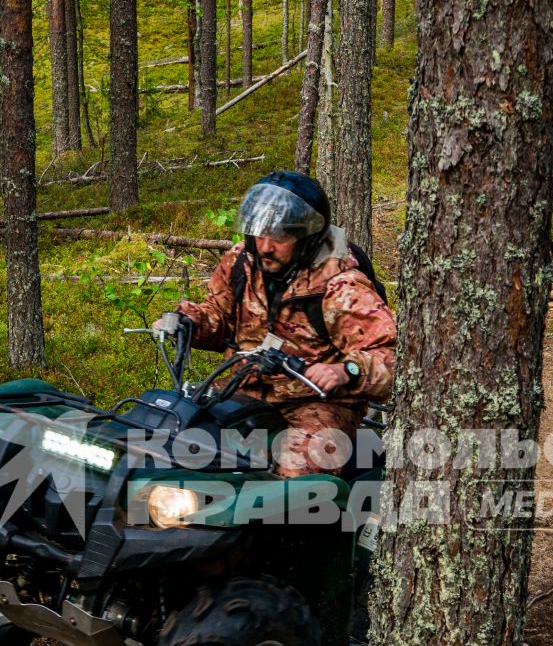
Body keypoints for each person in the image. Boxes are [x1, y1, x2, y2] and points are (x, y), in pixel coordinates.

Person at [153, 171, 395, 477]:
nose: (265, 246)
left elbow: (392, 356)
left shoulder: (342, 287)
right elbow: (219, 314)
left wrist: (346, 370)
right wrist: (188, 322)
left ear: (305, 237)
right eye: (259, 233)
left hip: (314, 404)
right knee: (172, 439)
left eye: (280, 236)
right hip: (241, 391)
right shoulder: (242, 262)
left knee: (292, 483)